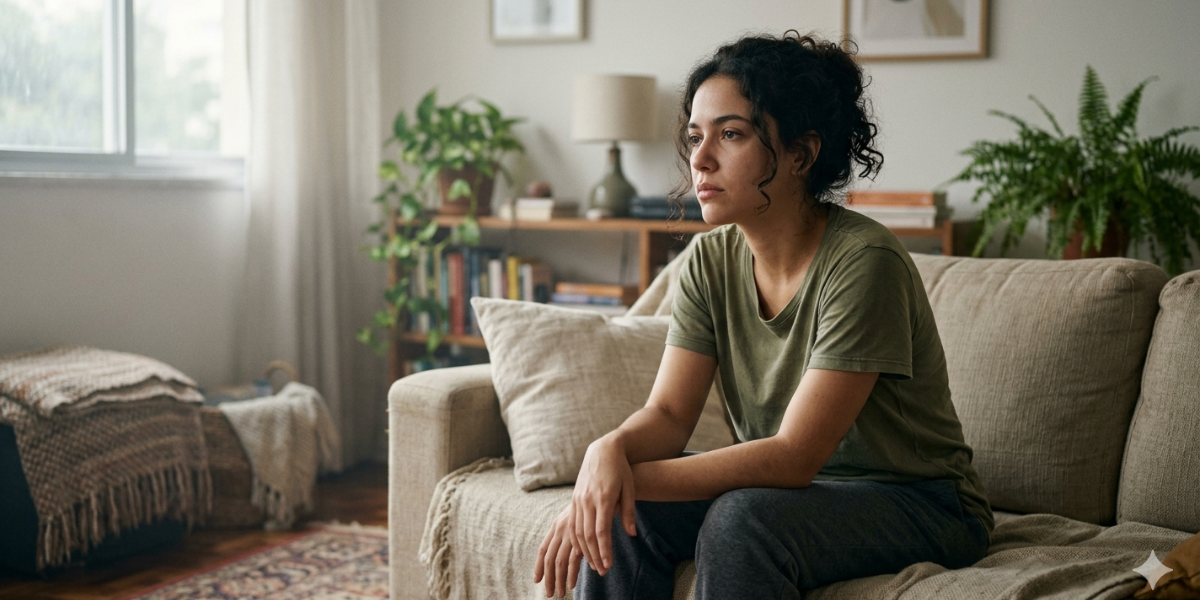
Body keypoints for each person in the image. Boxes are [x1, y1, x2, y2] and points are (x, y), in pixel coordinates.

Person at [533, 31, 993, 600]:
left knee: (737, 520)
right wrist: (608, 453)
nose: (700, 159)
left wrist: (611, 486)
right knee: (634, 513)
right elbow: (670, 414)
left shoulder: (864, 262)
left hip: (923, 502)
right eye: (696, 136)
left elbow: (795, 457)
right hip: (799, 498)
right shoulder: (707, 260)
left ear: (800, 154)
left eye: (730, 134)